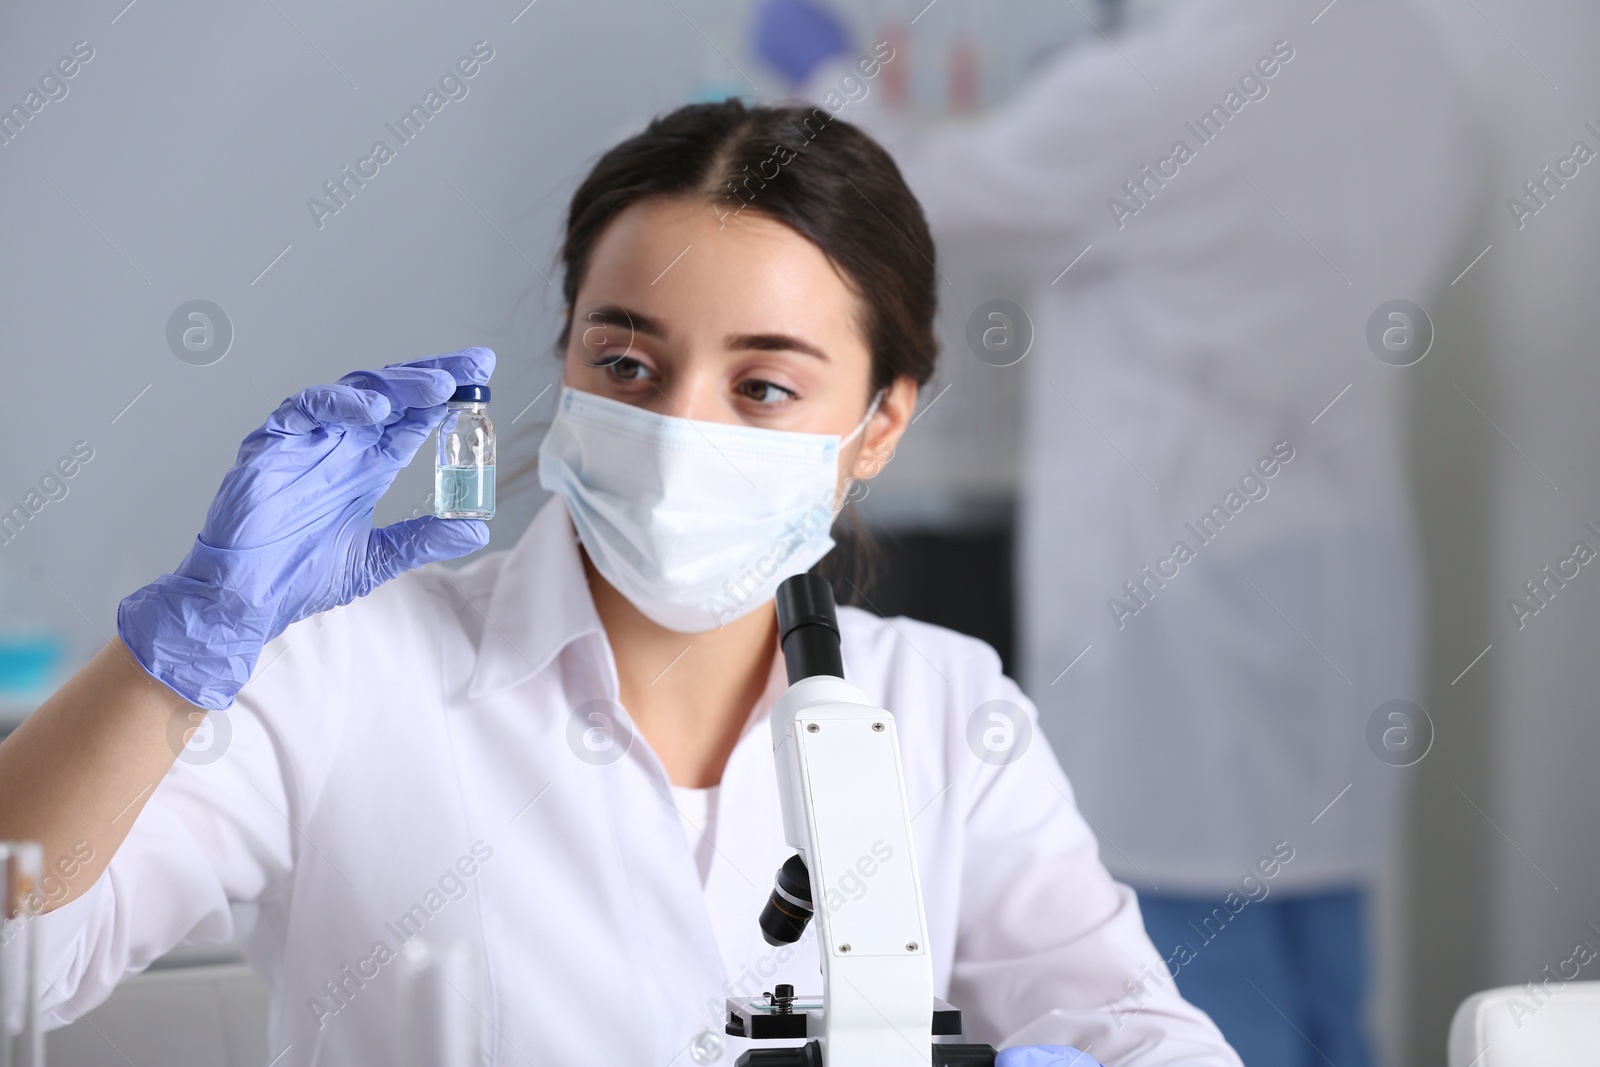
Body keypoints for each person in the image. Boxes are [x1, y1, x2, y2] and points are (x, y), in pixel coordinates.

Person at [0, 102, 1241, 1067]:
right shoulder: (341, 665)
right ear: (566, 361)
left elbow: (1147, 1032)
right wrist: (179, 658)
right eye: (630, 362)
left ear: (875, 427)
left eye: (762, 385)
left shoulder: (942, 708)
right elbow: (19, 957)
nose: (680, 423)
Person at [754, 0, 1480, 1063]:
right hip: (1338, 579)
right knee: (1328, 990)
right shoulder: (1405, 57)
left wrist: (830, 75)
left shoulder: (1169, 84)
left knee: (1192, 990)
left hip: (1184, 597)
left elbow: (921, 187)